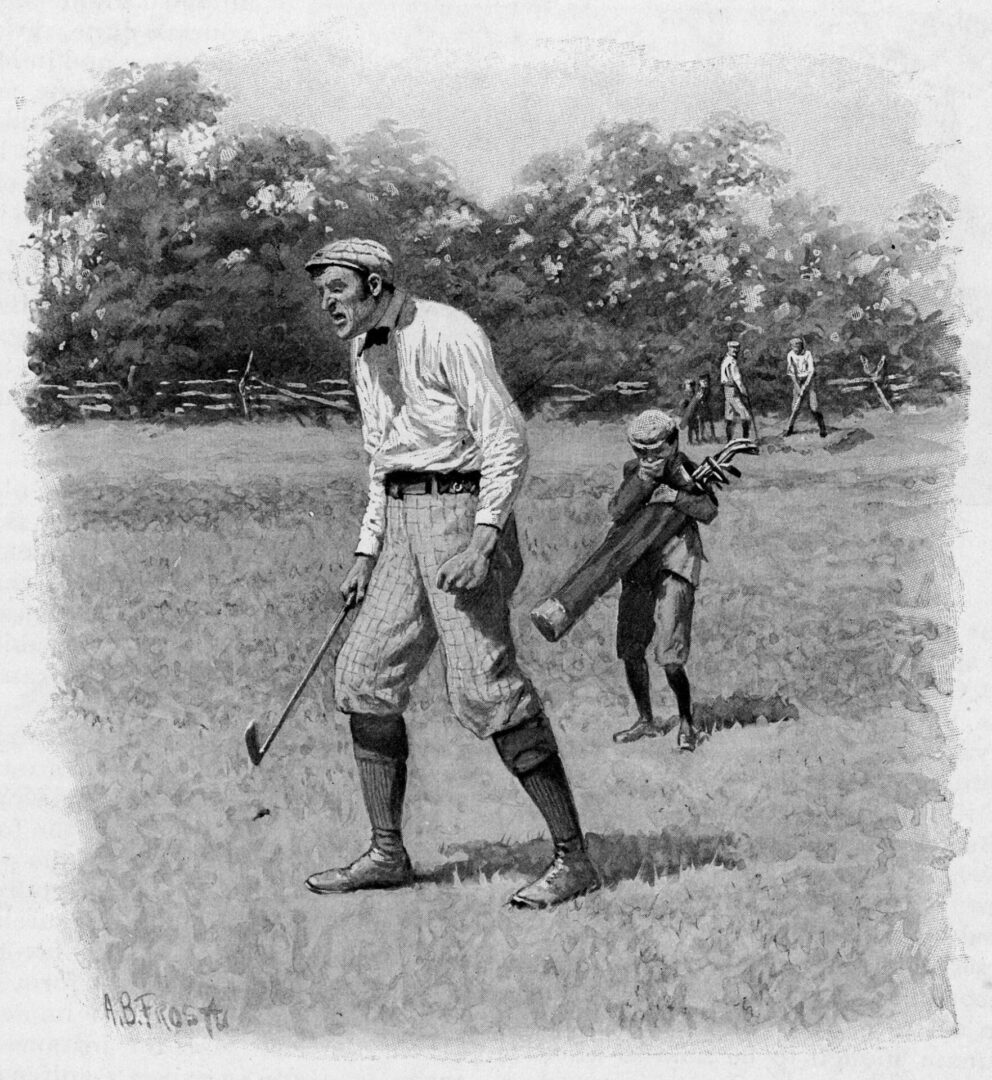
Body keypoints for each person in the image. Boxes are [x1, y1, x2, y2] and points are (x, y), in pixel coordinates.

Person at [301, 238, 599, 910]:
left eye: (337, 291)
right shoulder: (361, 350)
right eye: (322, 294)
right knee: (363, 677)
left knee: (484, 689)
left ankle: (573, 860)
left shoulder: (449, 332)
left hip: (464, 518)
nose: (327, 305)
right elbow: (383, 460)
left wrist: (485, 539)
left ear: (376, 283)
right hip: (403, 524)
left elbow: (505, 440)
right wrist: (365, 552)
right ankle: (386, 853)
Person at [609, 410, 718, 751]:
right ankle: (646, 720)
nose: (649, 458)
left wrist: (675, 497)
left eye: (655, 451)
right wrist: (642, 480)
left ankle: (686, 723)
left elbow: (709, 510)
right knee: (631, 646)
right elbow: (617, 511)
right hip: (639, 565)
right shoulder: (633, 472)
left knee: (670, 652)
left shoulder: (690, 470)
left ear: (673, 444)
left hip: (677, 564)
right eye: (641, 452)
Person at [784, 336, 827, 438]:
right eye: (794, 347)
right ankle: (789, 428)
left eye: (798, 347)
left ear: (801, 346)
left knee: (814, 407)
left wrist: (806, 385)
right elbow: (791, 372)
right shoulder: (790, 355)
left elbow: (811, 371)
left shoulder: (807, 354)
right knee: (795, 407)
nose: (796, 349)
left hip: (809, 380)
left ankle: (822, 428)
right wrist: (797, 386)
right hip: (798, 381)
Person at [719, 341, 751, 442]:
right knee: (745, 415)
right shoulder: (732, 361)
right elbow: (737, 378)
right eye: (733, 348)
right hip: (732, 390)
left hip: (727, 389)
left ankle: (729, 441)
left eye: (737, 348)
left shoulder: (725, 359)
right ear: (728, 348)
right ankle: (745, 440)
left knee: (729, 415)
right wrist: (743, 390)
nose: (735, 350)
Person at [695, 370, 717, 444]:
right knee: (701, 422)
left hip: (706, 407)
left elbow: (705, 397)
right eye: (702, 381)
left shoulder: (707, 389)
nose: (704, 382)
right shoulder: (699, 389)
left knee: (709, 422)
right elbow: (697, 398)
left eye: (706, 381)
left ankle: (713, 437)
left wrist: (701, 396)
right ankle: (702, 437)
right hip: (700, 408)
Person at [679, 377, 699, 444]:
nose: (689, 387)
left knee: (696, 427)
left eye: (690, 385)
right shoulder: (685, 397)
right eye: (687, 385)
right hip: (689, 414)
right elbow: (683, 406)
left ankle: (697, 439)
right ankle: (690, 441)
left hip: (694, 414)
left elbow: (696, 404)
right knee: (690, 428)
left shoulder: (694, 395)